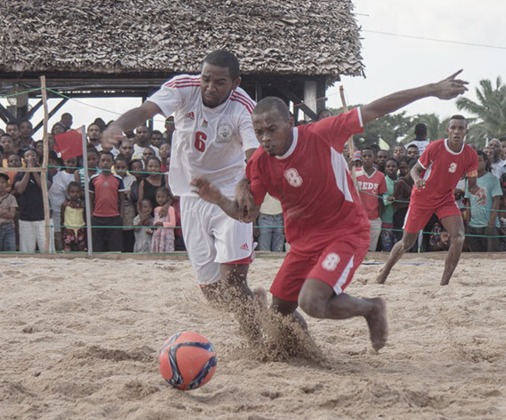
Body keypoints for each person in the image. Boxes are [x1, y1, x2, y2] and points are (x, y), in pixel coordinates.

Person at [193, 71, 469, 350]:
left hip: (345, 232)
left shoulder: (321, 134)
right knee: (279, 312)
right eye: (258, 132)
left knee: (311, 301)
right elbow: (247, 215)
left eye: (271, 129)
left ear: (290, 123)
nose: (264, 139)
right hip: (302, 245)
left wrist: (431, 88)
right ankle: (305, 353)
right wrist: (216, 197)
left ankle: (371, 308)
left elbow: (375, 108)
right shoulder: (260, 164)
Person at [102, 50, 259, 305]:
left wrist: (248, 184)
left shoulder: (243, 107)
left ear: (235, 83)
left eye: (219, 82)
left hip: (230, 194)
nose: (209, 87)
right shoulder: (183, 87)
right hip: (192, 195)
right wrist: (117, 126)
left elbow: (255, 155)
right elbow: (144, 111)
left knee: (234, 281)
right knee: (213, 293)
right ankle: (257, 306)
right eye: (205, 79)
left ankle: (263, 342)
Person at [377, 110, 485, 286]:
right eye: (453, 128)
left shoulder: (471, 155)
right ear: (447, 131)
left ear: (466, 131)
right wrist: (418, 180)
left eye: (461, 128)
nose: (457, 131)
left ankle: (444, 285)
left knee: (458, 237)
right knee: (407, 242)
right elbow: (415, 170)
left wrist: (479, 191)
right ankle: (383, 274)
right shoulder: (435, 147)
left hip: (445, 198)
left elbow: (471, 186)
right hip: (422, 197)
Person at [464, 150, 502, 252]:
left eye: (479, 160)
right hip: (473, 225)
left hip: (489, 225)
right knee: (476, 256)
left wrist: (491, 224)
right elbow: (468, 202)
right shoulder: (469, 180)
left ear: (485, 161)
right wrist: (468, 223)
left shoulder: (493, 179)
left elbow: (496, 201)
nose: (477, 163)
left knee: (491, 256)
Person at [89, 151, 124, 252]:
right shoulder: (93, 179)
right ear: (99, 163)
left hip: (114, 217)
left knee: (115, 245)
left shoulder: (118, 179)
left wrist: (121, 217)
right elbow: (90, 199)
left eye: (108, 161)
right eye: (103, 160)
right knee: (97, 246)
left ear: (113, 163)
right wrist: (91, 216)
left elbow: (121, 200)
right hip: (97, 217)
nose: (105, 163)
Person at [14, 148, 48, 253]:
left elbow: (45, 187)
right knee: (26, 250)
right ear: (23, 160)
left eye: (33, 155)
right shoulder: (19, 174)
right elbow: (19, 190)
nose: (30, 157)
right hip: (26, 217)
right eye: (27, 156)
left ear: (37, 158)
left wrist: (34, 170)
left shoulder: (44, 171)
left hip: (43, 216)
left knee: (46, 249)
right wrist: (29, 170)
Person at [355, 148, 387, 251]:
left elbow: (381, 198)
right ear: (361, 158)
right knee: (357, 247)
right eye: (364, 156)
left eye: (369, 156)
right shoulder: (354, 173)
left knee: (371, 249)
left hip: (374, 218)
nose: (367, 158)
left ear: (373, 158)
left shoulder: (380, 176)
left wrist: (379, 218)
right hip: (357, 217)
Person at [61, 181, 87, 252]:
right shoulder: (65, 204)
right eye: (72, 192)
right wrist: (63, 229)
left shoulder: (82, 205)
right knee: (68, 250)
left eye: (77, 192)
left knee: (81, 250)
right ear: (68, 192)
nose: (75, 194)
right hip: (68, 231)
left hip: (80, 231)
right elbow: (62, 217)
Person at [151, 186, 177, 253]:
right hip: (157, 235)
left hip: (167, 235)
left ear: (167, 197)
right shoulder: (156, 209)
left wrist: (161, 224)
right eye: (158, 197)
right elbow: (155, 222)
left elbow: (173, 224)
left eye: (162, 197)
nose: (160, 199)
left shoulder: (170, 209)